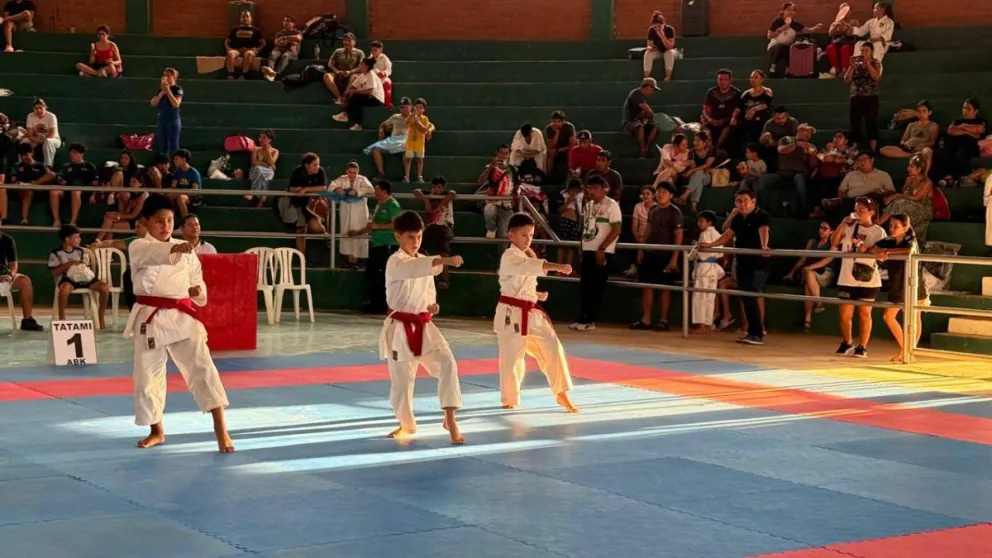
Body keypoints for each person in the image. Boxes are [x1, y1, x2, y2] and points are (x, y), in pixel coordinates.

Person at [125, 195, 233, 452]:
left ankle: (222, 431)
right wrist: (174, 249)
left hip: (182, 315)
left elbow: (198, 279)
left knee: (203, 368)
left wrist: (198, 292)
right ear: (146, 222)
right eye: (159, 221)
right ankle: (157, 431)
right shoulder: (138, 246)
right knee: (147, 376)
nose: (165, 226)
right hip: (150, 316)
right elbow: (154, 255)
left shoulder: (187, 250)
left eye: (170, 220)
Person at [381, 210, 465, 444]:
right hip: (400, 328)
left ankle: (450, 418)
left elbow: (428, 291)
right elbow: (418, 269)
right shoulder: (395, 262)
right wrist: (446, 260)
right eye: (410, 237)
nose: (415, 242)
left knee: (448, 362)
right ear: (398, 237)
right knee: (402, 381)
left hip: (424, 326)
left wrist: (432, 305)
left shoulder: (422, 261)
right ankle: (406, 424)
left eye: (418, 237)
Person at [495, 212, 577, 412]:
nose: (528, 239)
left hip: (531, 312)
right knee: (512, 358)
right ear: (511, 235)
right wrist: (558, 266)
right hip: (511, 314)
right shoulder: (510, 256)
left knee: (552, 346)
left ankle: (561, 392)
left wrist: (536, 294)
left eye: (531, 235)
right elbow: (528, 268)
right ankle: (509, 398)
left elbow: (521, 283)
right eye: (523, 235)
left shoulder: (526, 255)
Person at [698, 189, 771, 346]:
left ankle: (757, 333)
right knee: (745, 296)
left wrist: (764, 246)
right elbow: (727, 235)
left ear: (753, 201)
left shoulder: (761, 215)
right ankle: (752, 332)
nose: (742, 204)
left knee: (751, 294)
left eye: (745, 200)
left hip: (758, 264)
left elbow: (763, 230)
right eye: (738, 201)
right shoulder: (738, 218)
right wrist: (710, 245)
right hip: (742, 262)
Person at [831, 196, 886, 358]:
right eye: (856, 210)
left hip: (868, 278)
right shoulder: (849, 227)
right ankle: (847, 342)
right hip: (847, 276)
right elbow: (834, 242)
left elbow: (881, 252)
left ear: (871, 212)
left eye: (861, 210)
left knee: (864, 313)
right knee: (845, 313)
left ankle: (863, 346)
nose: (858, 213)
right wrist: (842, 224)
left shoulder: (878, 231)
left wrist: (862, 246)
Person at [873, 214, 928, 363]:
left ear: (906, 227)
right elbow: (874, 247)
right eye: (890, 226)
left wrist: (888, 253)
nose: (892, 229)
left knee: (914, 318)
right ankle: (906, 350)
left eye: (896, 226)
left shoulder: (911, 240)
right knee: (889, 317)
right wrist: (877, 252)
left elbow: (908, 251)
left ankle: (908, 351)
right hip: (897, 284)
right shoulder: (889, 241)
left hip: (913, 282)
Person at [570, 175, 621, 331]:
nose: (591, 191)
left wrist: (603, 248)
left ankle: (591, 319)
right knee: (585, 285)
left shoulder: (611, 205)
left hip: (602, 252)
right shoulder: (588, 205)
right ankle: (583, 316)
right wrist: (581, 245)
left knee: (596, 286)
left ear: (603, 189)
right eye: (589, 188)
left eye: (595, 188)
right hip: (587, 249)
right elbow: (585, 228)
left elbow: (616, 229)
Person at [630, 182, 682, 331]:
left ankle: (663, 320)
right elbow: (648, 228)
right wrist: (641, 247)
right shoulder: (653, 209)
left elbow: (678, 235)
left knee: (665, 288)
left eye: (664, 192)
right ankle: (646, 319)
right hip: (650, 253)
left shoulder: (675, 212)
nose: (660, 194)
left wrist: (674, 258)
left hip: (665, 254)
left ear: (671, 195)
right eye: (658, 191)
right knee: (647, 285)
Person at [49, 224, 110, 328]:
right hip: (68, 279)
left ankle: (100, 316)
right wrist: (68, 264)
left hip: (85, 279)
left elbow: (86, 266)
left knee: (104, 287)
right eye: (76, 237)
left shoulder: (81, 251)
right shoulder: (56, 253)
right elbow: (54, 272)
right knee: (64, 291)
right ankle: (62, 317)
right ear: (67, 239)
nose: (79, 239)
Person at [783, 221, 837, 332]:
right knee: (808, 282)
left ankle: (818, 303)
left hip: (826, 273)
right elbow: (803, 259)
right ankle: (808, 319)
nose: (821, 230)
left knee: (808, 273)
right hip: (811, 272)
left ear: (832, 231)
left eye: (825, 228)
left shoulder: (833, 244)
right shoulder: (812, 242)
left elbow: (827, 260)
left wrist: (810, 267)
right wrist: (792, 272)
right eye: (820, 228)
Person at [360, 180, 402, 314]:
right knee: (372, 273)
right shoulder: (380, 204)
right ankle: (375, 302)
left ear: (384, 191)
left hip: (387, 244)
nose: (375, 192)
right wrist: (359, 232)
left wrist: (377, 227)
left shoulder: (392, 205)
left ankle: (381, 304)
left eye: (377, 189)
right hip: (377, 243)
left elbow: (396, 224)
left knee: (382, 275)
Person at [0, 217, 43, 330]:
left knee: (25, 281)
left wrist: (11, 275)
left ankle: (27, 320)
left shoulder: (7, 240)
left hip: (4, 276)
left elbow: (13, 264)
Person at [414, 175, 455, 289]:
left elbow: (452, 193)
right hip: (431, 226)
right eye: (435, 187)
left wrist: (440, 206)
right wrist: (426, 200)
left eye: (439, 187)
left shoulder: (447, 194)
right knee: (419, 246)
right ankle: (427, 272)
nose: (437, 190)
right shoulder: (429, 193)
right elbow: (416, 191)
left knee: (444, 250)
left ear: (443, 187)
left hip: (445, 226)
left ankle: (444, 279)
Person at [331, 161, 374, 268]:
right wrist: (337, 189)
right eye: (350, 172)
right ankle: (350, 261)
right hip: (346, 210)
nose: (352, 175)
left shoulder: (362, 179)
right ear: (346, 171)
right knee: (347, 232)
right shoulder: (342, 179)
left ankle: (356, 261)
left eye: (354, 173)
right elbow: (331, 186)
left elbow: (371, 189)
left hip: (360, 211)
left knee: (358, 232)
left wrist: (357, 191)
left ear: (358, 172)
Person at [844, 42, 883, 153]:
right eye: (862, 50)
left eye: (866, 50)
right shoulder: (855, 64)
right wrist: (851, 66)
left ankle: (873, 148)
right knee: (854, 122)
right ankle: (855, 148)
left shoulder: (876, 63)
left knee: (871, 122)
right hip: (856, 96)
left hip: (870, 96)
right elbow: (847, 79)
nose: (864, 52)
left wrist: (868, 65)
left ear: (871, 52)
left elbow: (876, 77)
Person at [691, 210, 724, 334]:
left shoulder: (704, 234)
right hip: (713, 266)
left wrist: (695, 252)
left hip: (704, 266)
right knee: (710, 297)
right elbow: (720, 252)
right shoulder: (717, 234)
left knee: (700, 296)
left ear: (709, 222)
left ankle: (701, 325)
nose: (699, 223)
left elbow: (699, 253)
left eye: (701, 221)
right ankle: (708, 323)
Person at [366, 97, 414, 178]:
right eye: (401, 107)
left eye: (405, 107)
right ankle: (381, 173)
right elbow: (383, 125)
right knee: (375, 149)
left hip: (406, 140)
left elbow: (428, 126)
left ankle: (406, 176)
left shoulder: (414, 117)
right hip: (393, 139)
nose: (402, 109)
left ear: (410, 107)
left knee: (407, 150)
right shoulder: (395, 117)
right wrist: (381, 130)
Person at [332, 57, 384, 131]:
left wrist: (355, 92)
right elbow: (353, 86)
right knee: (355, 100)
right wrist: (347, 92)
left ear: (367, 66)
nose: (360, 66)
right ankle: (355, 123)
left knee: (356, 97)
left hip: (377, 99)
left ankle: (346, 114)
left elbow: (370, 91)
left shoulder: (371, 75)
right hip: (367, 97)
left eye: (362, 64)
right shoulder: (362, 75)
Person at [622, 78, 661, 158]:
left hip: (639, 122)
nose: (652, 92)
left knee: (655, 127)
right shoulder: (636, 94)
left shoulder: (642, 97)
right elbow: (649, 111)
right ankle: (642, 151)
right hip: (629, 123)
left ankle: (646, 150)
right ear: (648, 87)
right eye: (653, 89)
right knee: (640, 126)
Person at [151, 68, 183, 157]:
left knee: (173, 144)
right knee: (162, 143)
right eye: (164, 75)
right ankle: (163, 163)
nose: (165, 77)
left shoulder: (177, 89)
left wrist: (168, 91)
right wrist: (162, 92)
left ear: (174, 77)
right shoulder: (160, 90)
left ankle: (174, 164)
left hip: (173, 119)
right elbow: (153, 103)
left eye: (168, 75)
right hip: (162, 118)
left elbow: (176, 104)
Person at [224, 10, 265, 80]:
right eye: (243, 17)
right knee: (230, 53)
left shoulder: (256, 30)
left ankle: (243, 74)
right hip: (237, 49)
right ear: (240, 18)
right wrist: (228, 48)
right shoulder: (235, 29)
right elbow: (227, 41)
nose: (245, 19)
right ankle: (231, 74)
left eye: (247, 17)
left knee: (249, 53)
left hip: (250, 49)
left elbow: (263, 43)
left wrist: (257, 50)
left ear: (251, 18)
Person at [23, 98, 61, 168]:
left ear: (45, 107)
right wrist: (37, 140)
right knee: (24, 141)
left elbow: (52, 134)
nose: (38, 110)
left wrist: (42, 141)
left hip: (53, 139)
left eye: (41, 108)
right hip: (36, 139)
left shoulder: (51, 116)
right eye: (36, 108)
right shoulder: (30, 116)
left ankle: (47, 166)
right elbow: (30, 134)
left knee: (48, 142)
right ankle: (23, 164)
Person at [261, 15, 302, 80]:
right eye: (284, 21)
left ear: (293, 23)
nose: (286, 22)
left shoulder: (297, 32)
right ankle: (269, 73)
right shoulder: (279, 33)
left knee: (285, 56)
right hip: (279, 49)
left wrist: (284, 38)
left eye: (288, 21)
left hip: (291, 51)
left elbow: (297, 38)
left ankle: (276, 74)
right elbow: (276, 43)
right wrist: (289, 41)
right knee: (273, 55)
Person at [246, 129, 278, 207]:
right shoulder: (256, 149)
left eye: (264, 138)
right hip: (254, 171)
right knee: (259, 171)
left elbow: (271, 163)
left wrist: (267, 150)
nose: (261, 139)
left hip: (268, 172)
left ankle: (252, 193)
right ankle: (261, 201)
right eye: (260, 137)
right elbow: (253, 162)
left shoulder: (275, 151)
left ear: (270, 140)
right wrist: (265, 164)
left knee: (263, 174)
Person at [403, 98, 432, 183]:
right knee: (408, 159)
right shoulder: (411, 116)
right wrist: (412, 116)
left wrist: (417, 120)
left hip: (419, 142)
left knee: (420, 159)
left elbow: (424, 130)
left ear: (424, 109)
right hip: (410, 142)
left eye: (421, 108)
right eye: (417, 107)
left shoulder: (425, 118)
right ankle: (407, 177)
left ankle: (419, 176)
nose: (419, 109)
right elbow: (406, 122)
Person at [644, 11, 677, 81]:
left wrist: (662, 36)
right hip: (658, 50)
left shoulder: (669, 29)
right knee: (648, 53)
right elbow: (649, 45)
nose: (657, 29)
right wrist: (650, 48)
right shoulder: (651, 30)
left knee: (669, 53)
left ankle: (668, 76)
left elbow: (669, 46)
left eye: (659, 26)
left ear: (663, 24)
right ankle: (646, 77)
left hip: (671, 50)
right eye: (655, 27)